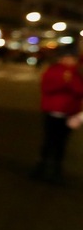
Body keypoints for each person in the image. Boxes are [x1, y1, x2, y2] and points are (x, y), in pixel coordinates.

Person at [29, 49, 83, 185]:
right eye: (68, 57)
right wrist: (64, 81)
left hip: (70, 113)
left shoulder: (76, 73)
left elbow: (79, 91)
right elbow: (47, 88)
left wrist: (70, 81)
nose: (71, 61)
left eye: (73, 58)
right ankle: (41, 166)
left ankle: (56, 169)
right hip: (53, 111)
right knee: (49, 140)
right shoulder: (53, 70)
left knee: (62, 142)